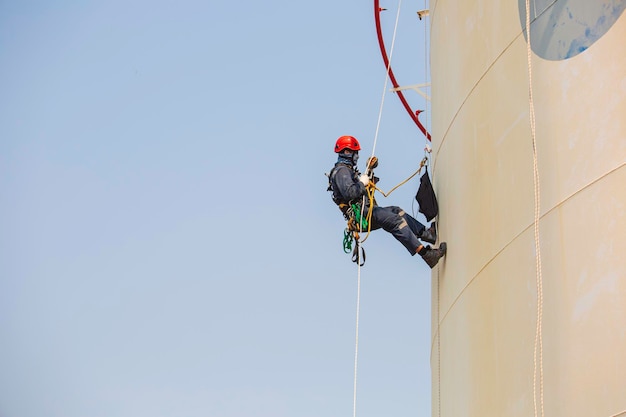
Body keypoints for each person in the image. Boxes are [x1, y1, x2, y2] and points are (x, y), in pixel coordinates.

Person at [328, 135, 447, 268]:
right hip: (361, 215)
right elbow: (350, 193)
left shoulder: (346, 171)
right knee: (395, 221)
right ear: (347, 152)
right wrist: (362, 183)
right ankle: (427, 254)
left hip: (366, 212)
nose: (357, 157)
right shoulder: (342, 171)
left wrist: (370, 171)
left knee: (396, 211)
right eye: (355, 153)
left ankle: (426, 233)